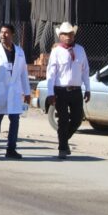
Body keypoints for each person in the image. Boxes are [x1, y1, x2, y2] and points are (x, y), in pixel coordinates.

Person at [45, 22, 91, 159]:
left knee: (77, 119)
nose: (68, 37)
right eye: (65, 34)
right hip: (60, 90)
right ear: (60, 36)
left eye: (71, 34)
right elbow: (51, 73)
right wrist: (50, 93)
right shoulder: (56, 51)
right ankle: (62, 148)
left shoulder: (80, 50)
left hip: (76, 90)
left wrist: (88, 89)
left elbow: (85, 70)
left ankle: (63, 140)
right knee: (63, 120)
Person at [0, 24, 30, 159]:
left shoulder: (20, 52)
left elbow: (23, 73)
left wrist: (27, 92)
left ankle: (11, 148)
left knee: (15, 119)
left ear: (12, 35)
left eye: (6, 33)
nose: (3, 35)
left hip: (15, 91)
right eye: (1, 32)